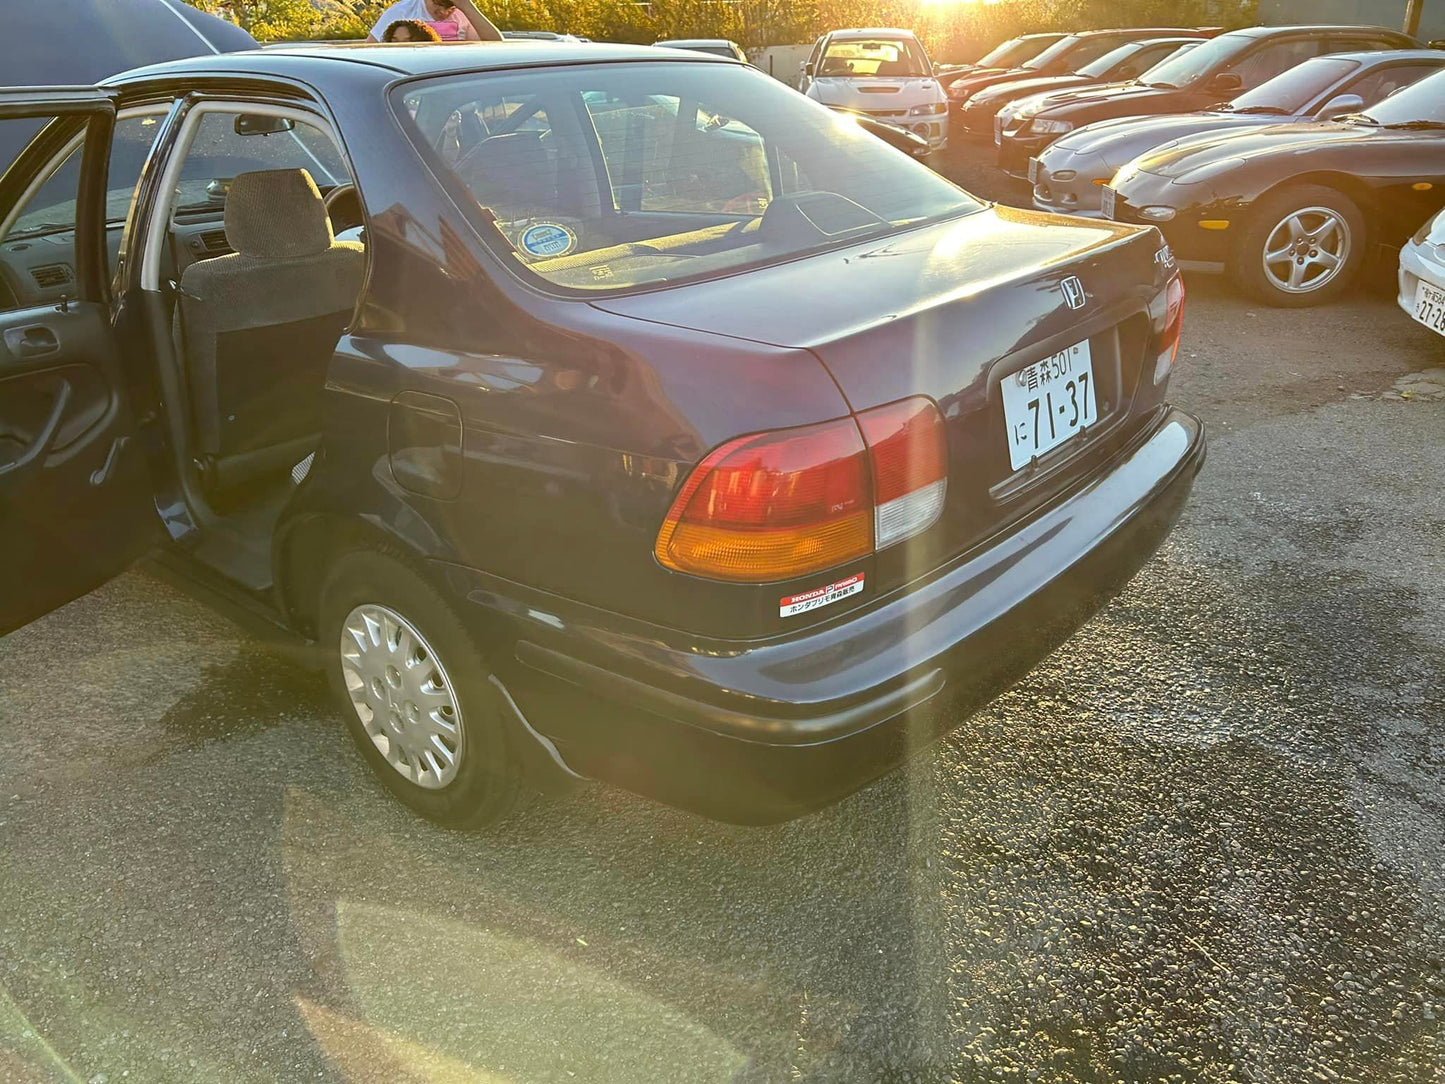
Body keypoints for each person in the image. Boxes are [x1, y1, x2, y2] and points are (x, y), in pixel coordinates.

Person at [365, 0, 502, 42]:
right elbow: (370, 49)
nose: (443, 12)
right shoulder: (403, 11)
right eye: (438, 4)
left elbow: (496, 43)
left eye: (449, 7)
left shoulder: (464, 13)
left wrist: (467, 7)